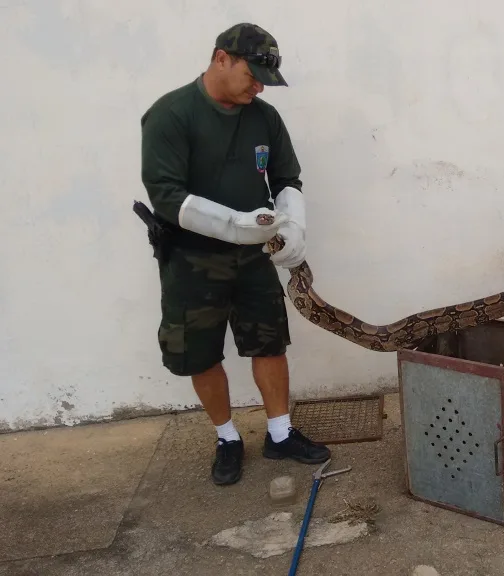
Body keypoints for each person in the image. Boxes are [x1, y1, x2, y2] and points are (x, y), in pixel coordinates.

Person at [139, 22, 330, 486]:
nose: (259, 87)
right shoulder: (170, 115)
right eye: (253, 74)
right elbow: (166, 195)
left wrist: (294, 226)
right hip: (192, 259)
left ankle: (280, 434)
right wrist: (233, 224)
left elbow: (286, 178)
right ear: (221, 58)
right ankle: (227, 438)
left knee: (269, 339)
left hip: (253, 257)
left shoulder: (264, 117)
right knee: (200, 352)